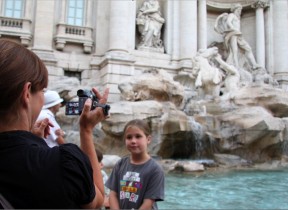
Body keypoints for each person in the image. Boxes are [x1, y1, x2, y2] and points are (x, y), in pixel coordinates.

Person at [0, 39, 109, 209]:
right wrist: (86, 130)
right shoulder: (64, 164)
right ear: (27, 93)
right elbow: (97, 201)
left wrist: (30, 138)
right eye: (42, 91)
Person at [105, 119, 165, 210]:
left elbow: (148, 204)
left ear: (148, 139)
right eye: (129, 137)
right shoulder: (120, 164)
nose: (133, 141)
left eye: (138, 136)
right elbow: (113, 194)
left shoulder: (155, 170)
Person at [214, 4, 260, 70]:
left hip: (238, 35)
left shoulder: (237, 17)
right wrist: (233, 28)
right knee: (234, 50)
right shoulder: (232, 15)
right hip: (233, 34)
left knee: (248, 49)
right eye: (238, 10)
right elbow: (228, 22)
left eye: (240, 10)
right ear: (235, 9)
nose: (239, 11)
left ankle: (254, 64)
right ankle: (236, 65)